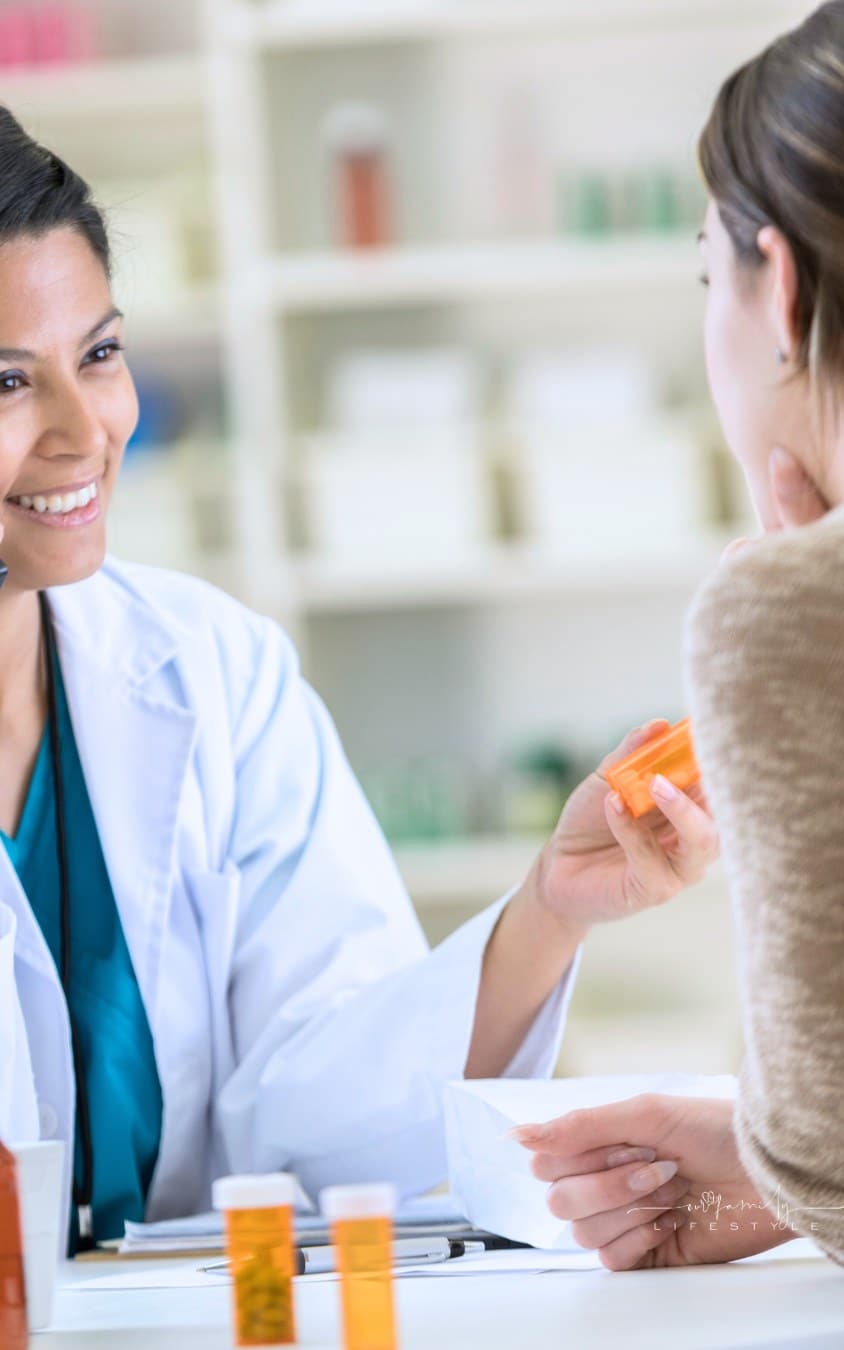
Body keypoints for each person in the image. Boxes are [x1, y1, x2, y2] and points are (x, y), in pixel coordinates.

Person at [0, 107, 721, 1253]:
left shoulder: (214, 672)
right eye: (6, 382)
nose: (88, 432)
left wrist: (547, 913)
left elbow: (317, 1118)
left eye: (98, 355)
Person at [514, 0, 844, 1279]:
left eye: (706, 278)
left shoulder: (799, 607)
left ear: (779, 288)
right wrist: (776, 1159)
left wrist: (785, 1160)